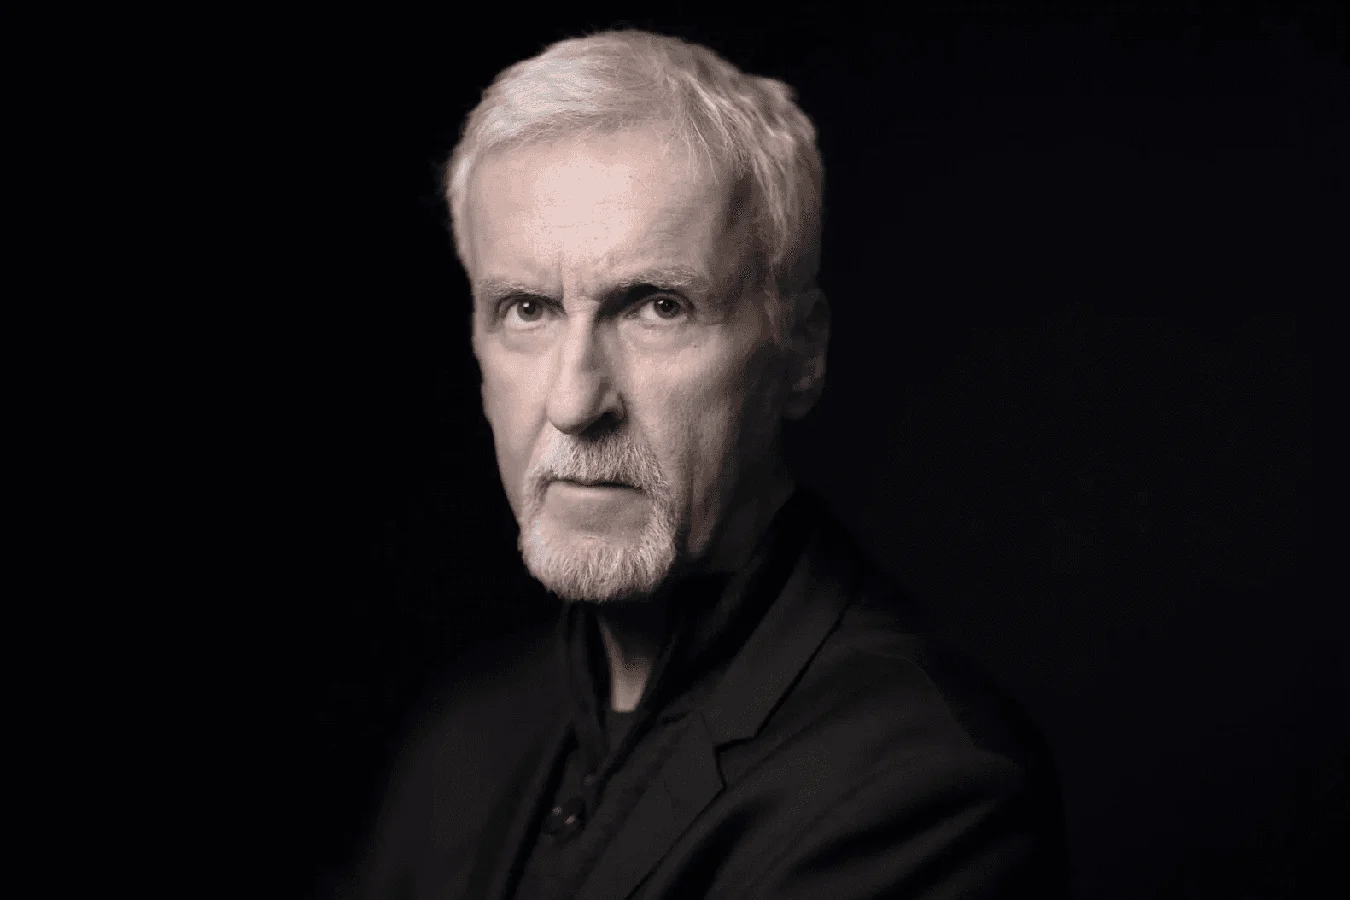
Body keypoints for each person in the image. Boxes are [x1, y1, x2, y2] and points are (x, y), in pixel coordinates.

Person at [352, 29, 1068, 900]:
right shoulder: (461, 745)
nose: (574, 402)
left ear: (800, 353)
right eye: (528, 309)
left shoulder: (923, 788)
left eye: (657, 307)